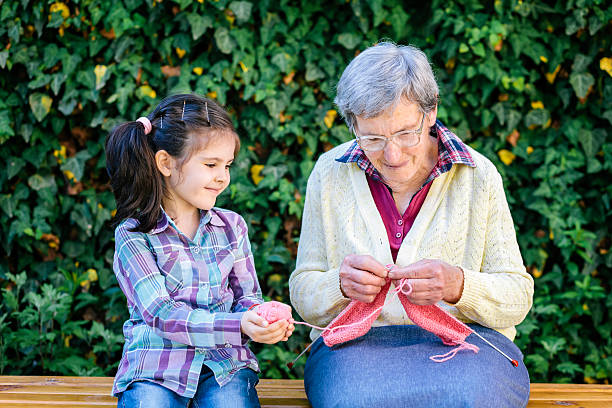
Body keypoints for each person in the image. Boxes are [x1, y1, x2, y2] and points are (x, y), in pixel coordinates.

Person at [289, 43, 534, 407]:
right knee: (353, 399)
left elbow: (517, 296)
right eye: (372, 138)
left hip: (468, 344)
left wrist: (459, 285)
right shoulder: (330, 172)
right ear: (352, 123)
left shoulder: (478, 175)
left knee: (471, 397)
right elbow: (304, 293)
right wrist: (339, 284)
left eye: (406, 133)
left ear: (431, 111)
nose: (392, 154)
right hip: (357, 347)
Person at [105, 94, 294, 408]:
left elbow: (248, 297)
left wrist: (259, 318)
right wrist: (239, 325)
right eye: (210, 164)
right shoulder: (134, 235)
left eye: (227, 165)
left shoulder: (233, 227)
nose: (222, 177)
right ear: (166, 162)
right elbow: (161, 314)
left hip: (224, 365)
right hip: (156, 366)